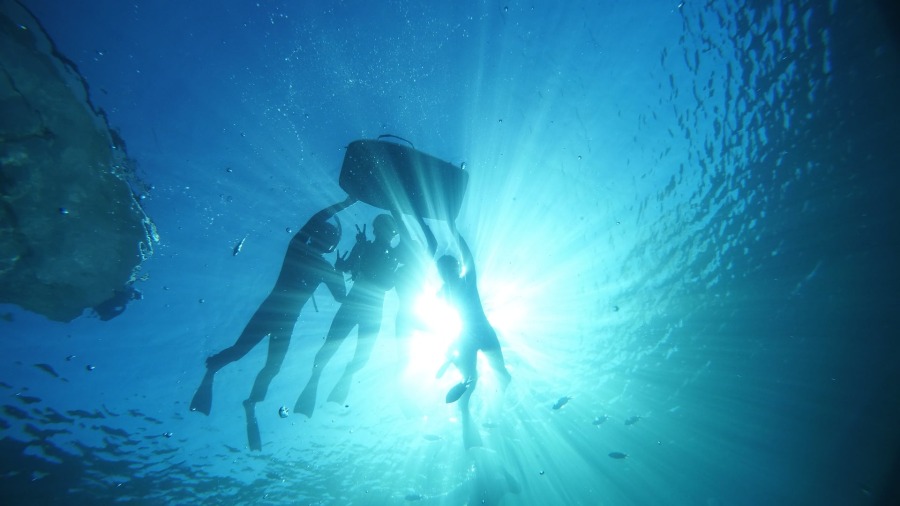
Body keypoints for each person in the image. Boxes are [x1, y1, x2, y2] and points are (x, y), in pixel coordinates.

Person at [189, 196, 356, 450]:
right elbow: (343, 298)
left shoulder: (301, 251)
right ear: (328, 243)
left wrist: (344, 269)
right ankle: (239, 392)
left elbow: (341, 297)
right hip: (279, 316)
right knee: (256, 359)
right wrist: (347, 204)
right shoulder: (303, 251)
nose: (327, 240)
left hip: (274, 314)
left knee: (257, 359)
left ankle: (238, 391)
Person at [294, 213, 400, 417]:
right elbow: (346, 267)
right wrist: (351, 255)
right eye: (385, 229)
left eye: (389, 229)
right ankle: (314, 382)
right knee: (334, 347)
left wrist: (349, 259)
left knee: (359, 354)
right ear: (378, 230)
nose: (387, 233)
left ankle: (337, 379)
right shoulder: (373, 248)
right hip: (365, 306)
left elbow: (346, 267)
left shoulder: (389, 253)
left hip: (364, 306)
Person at [436, 224, 511, 448]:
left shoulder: (465, 282)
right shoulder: (446, 291)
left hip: (476, 333)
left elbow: (467, 257)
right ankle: (471, 422)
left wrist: (454, 231)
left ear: (455, 269)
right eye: (445, 271)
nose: (447, 274)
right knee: (470, 383)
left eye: (450, 269)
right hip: (471, 334)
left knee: (500, 375)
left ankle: (494, 414)